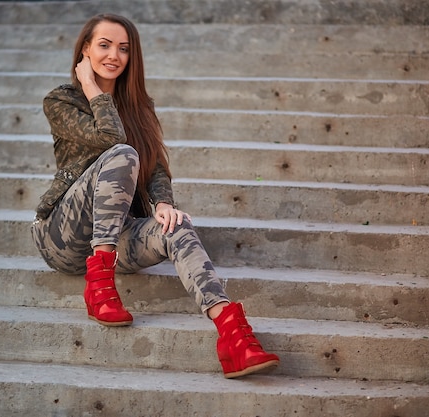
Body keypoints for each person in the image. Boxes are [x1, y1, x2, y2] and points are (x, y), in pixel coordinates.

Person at [31, 13, 280, 379]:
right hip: (63, 237)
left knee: (176, 228)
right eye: (103, 45)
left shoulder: (138, 107)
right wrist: (91, 87)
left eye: (124, 48)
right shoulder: (61, 101)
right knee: (123, 153)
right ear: (85, 50)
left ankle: (232, 335)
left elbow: (156, 167)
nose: (114, 55)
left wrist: (163, 203)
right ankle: (99, 286)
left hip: (117, 234)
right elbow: (111, 140)